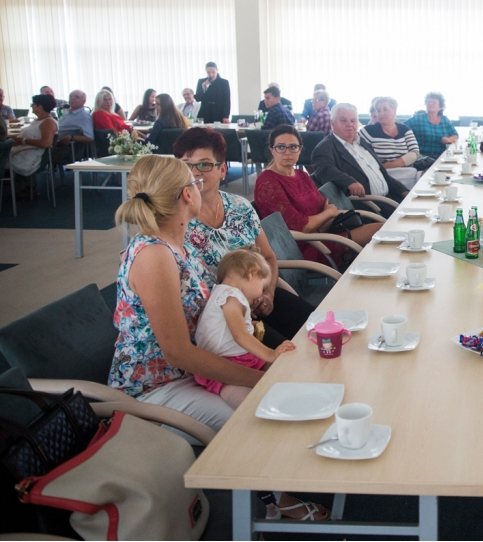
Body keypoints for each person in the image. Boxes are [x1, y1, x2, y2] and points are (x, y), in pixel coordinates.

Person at [109, 156, 327, 521]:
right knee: (253, 418)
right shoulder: (154, 256)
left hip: (195, 372)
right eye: (194, 182)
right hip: (157, 385)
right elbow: (178, 353)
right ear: (186, 196)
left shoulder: (180, 245)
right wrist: (258, 377)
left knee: (275, 400)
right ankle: (272, 503)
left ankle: (275, 489)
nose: (200, 186)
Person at [174, 126, 315, 348]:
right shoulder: (175, 221)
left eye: (204, 164)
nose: (194, 172)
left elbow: (268, 257)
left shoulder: (239, 206)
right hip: (219, 321)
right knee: (288, 357)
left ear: (222, 170)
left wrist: (267, 294)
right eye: (186, 165)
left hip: (260, 300)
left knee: (321, 328)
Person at [255, 125, 382, 267]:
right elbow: (302, 227)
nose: (287, 152)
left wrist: (322, 219)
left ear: (300, 149)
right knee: (379, 232)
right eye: (281, 147)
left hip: (324, 235)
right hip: (305, 248)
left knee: (380, 236)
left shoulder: (302, 175)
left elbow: (326, 207)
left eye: (293, 147)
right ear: (272, 150)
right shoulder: (267, 182)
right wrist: (325, 215)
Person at [193, 247, 296, 408]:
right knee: (249, 404)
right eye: (262, 287)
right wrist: (270, 353)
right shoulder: (232, 297)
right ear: (251, 274)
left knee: (284, 373)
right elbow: (239, 335)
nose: (260, 295)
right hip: (227, 365)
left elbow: (227, 328)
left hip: (237, 358)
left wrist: (251, 326)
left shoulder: (220, 293)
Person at [311, 104, 409, 209]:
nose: (349, 124)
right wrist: (349, 181)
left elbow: (381, 173)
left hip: (389, 199)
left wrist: (404, 190)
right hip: (368, 206)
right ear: (333, 123)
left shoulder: (362, 142)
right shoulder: (324, 148)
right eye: (343, 121)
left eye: (353, 121)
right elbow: (325, 170)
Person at [10, 94, 58, 198]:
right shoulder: (38, 120)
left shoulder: (48, 122)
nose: (31, 106)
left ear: (39, 107)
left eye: (33, 104)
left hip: (30, 157)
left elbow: (46, 143)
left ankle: (20, 184)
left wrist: (22, 140)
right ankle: (23, 185)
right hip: (24, 152)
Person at [358, 96, 420, 168]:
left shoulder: (405, 129)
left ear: (394, 112)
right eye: (378, 110)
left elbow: (415, 153)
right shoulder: (367, 131)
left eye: (385, 109)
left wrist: (391, 165)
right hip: (382, 174)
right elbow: (358, 153)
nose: (381, 113)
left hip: (407, 172)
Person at [406, 92, 458, 158]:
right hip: (422, 157)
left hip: (441, 157)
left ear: (440, 107)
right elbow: (401, 128)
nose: (430, 104)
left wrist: (449, 139)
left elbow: (455, 135)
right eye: (428, 102)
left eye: (434, 102)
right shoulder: (417, 118)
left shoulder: (445, 120)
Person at [53, 89, 95, 165]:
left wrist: (71, 137)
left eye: (77, 97)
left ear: (84, 101)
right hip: (53, 140)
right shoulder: (66, 113)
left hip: (62, 147)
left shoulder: (84, 117)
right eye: (71, 96)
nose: (72, 98)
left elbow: (90, 138)